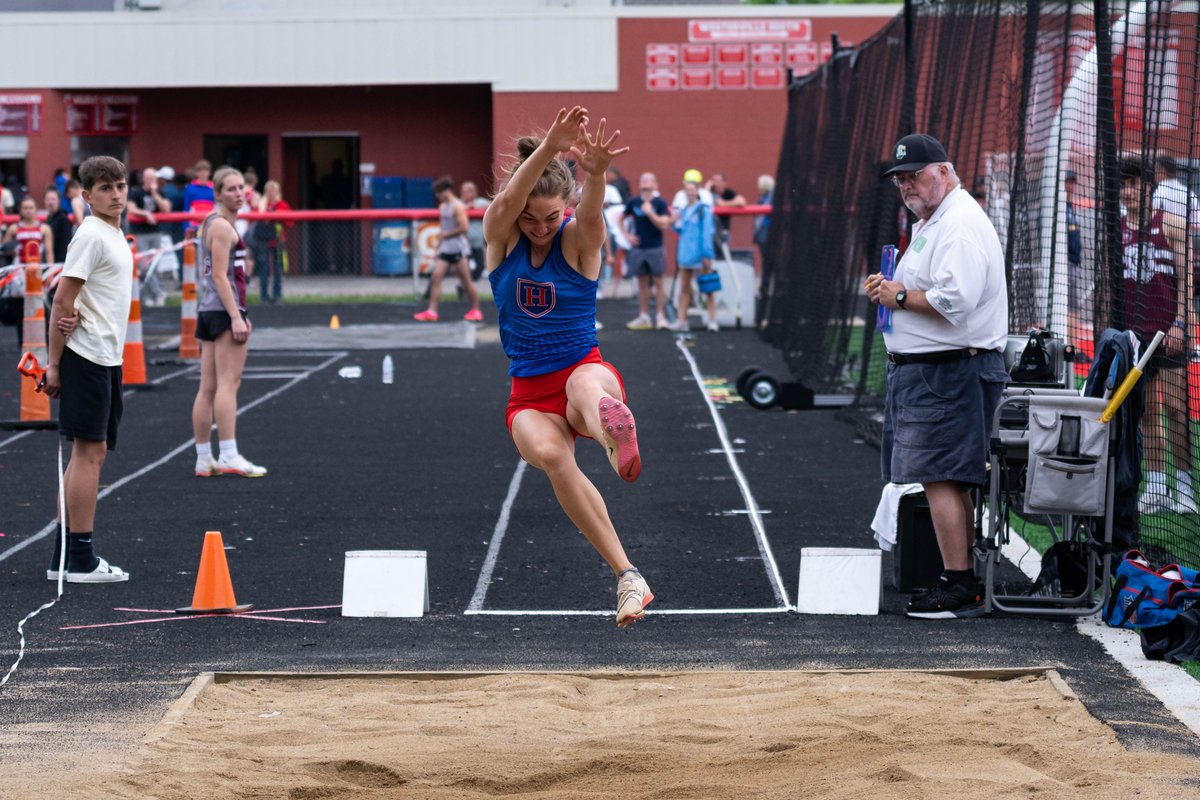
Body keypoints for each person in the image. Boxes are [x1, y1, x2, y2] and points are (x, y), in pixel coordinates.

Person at [484, 106, 653, 628]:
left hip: (584, 370)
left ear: (568, 208)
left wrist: (596, 173)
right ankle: (628, 578)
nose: (539, 227)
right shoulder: (501, 238)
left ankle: (611, 427)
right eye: (531, 218)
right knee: (554, 457)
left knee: (586, 388)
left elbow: (594, 216)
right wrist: (550, 150)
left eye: (551, 217)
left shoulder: (579, 243)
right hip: (529, 394)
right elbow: (510, 201)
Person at [865, 133, 1009, 619]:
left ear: (943, 172)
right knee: (942, 477)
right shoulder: (938, 219)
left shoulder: (959, 223)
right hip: (936, 371)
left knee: (941, 477)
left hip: (949, 372)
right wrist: (892, 289)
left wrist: (899, 298)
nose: (907, 186)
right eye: (901, 179)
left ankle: (959, 583)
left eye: (915, 176)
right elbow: (929, 289)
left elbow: (954, 301)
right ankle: (957, 578)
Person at [41, 156, 134, 583]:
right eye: (105, 188)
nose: (115, 194)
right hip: (87, 356)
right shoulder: (91, 236)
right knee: (89, 453)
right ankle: (80, 558)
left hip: (105, 355)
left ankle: (64, 553)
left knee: (88, 453)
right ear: (86, 195)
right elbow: (62, 300)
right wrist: (55, 364)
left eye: (120, 186)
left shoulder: (113, 234)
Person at [1120, 158, 1194, 515]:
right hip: (1136, 334)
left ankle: (1184, 486)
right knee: (1147, 411)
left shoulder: (1173, 224)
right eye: (1123, 185)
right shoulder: (1117, 228)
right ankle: (1156, 484)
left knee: (1177, 410)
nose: (1128, 191)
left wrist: (1182, 323)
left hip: (1170, 332)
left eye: (1133, 184)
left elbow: (1187, 279)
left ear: (1149, 187)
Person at [191, 166, 267, 479]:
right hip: (223, 310)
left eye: (241, 188)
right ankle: (229, 454)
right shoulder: (221, 226)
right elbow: (220, 277)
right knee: (227, 384)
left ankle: (203, 458)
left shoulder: (213, 222)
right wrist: (237, 315)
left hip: (210, 309)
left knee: (208, 387)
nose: (238, 194)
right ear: (218, 193)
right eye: (231, 189)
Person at [414, 176, 483, 322]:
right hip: (446, 248)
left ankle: (476, 310)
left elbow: (464, 227)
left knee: (466, 280)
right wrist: (439, 247)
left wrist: (447, 234)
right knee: (436, 277)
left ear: (446, 191)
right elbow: (443, 229)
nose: (437, 196)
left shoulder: (457, 206)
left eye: (439, 193)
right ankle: (432, 311)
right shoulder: (442, 207)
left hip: (458, 249)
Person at [622, 172, 672, 330]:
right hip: (639, 248)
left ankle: (660, 316)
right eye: (643, 180)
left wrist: (650, 212)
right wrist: (627, 236)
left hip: (655, 248)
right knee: (642, 283)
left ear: (655, 184)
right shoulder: (634, 202)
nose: (646, 183)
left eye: (649, 180)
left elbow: (664, 224)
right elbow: (619, 218)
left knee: (658, 282)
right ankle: (644, 316)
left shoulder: (660, 203)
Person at [670, 170, 718, 332]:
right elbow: (678, 230)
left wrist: (707, 254)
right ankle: (682, 319)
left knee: (708, 287)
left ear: (697, 190)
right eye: (687, 190)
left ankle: (712, 319)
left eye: (692, 190)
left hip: (699, 254)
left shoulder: (703, 210)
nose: (690, 193)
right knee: (684, 289)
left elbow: (707, 233)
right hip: (685, 255)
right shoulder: (683, 211)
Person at [127, 167, 172, 306]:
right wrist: (145, 214)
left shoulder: (160, 192)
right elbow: (131, 208)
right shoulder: (136, 192)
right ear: (144, 179)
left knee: (154, 265)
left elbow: (166, 209)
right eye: (149, 178)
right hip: (140, 233)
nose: (152, 181)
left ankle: (147, 297)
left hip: (156, 232)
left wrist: (154, 193)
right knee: (143, 265)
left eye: (154, 178)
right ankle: (158, 293)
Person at [254, 179, 291, 303]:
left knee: (278, 268)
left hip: (278, 241)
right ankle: (264, 296)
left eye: (273, 190)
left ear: (278, 191)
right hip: (264, 240)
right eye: (268, 190)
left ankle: (277, 295)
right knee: (264, 268)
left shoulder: (282, 205)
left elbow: (290, 222)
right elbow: (253, 219)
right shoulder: (261, 205)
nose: (271, 193)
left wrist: (275, 214)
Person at [4, 196, 55, 272]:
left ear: (35, 210)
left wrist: (51, 271)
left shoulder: (44, 229)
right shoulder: (13, 228)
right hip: (18, 269)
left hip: (38, 268)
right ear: (20, 210)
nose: (28, 211)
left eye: (31, 208)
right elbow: (4, 251)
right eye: (25, 208)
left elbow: (49, 252)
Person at [706, 171, 746, 251]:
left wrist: (724, 204)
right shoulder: (708, 193)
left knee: (724, 254)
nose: (715, 184)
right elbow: (703, 201)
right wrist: (707, 188)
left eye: (718, 181)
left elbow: (742, 202)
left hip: (724, 230)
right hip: (709, 231)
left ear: (724, 183)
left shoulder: (728, 193)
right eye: (713, 181)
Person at [461, 180, 491, 282]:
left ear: (473, 192)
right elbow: (457, 212)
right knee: (463, 269)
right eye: (463, 192)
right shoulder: (460, 204)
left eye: (467, 192)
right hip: (463, 243)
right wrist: (466, 208)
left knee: (480, 266)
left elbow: (493, 206)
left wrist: (478, 209)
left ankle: (465, 287)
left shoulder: (480, 202)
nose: (464, 194)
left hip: (477, 242)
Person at [183, 159, 215, 234]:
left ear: (209, 172)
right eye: (200, 170)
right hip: (194, 226)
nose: (203, 173)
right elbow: (186, 208)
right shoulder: (190, 188)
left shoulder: (214, 188)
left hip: (210, 224)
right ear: (196, 173)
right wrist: (186, 227)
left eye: (205, 170)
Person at [44, 186, 74, 264]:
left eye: (53, 199)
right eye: (47, 199)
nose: (50, 202)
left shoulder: (63, 219)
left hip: (59, 264)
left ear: (59, 201)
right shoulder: (48, 219)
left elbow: (65, 246)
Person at [753, 173, 774, 267]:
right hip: (762, 233)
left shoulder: (771, 198)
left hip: (767, 232)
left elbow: (766, 217)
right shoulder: (763, 198)